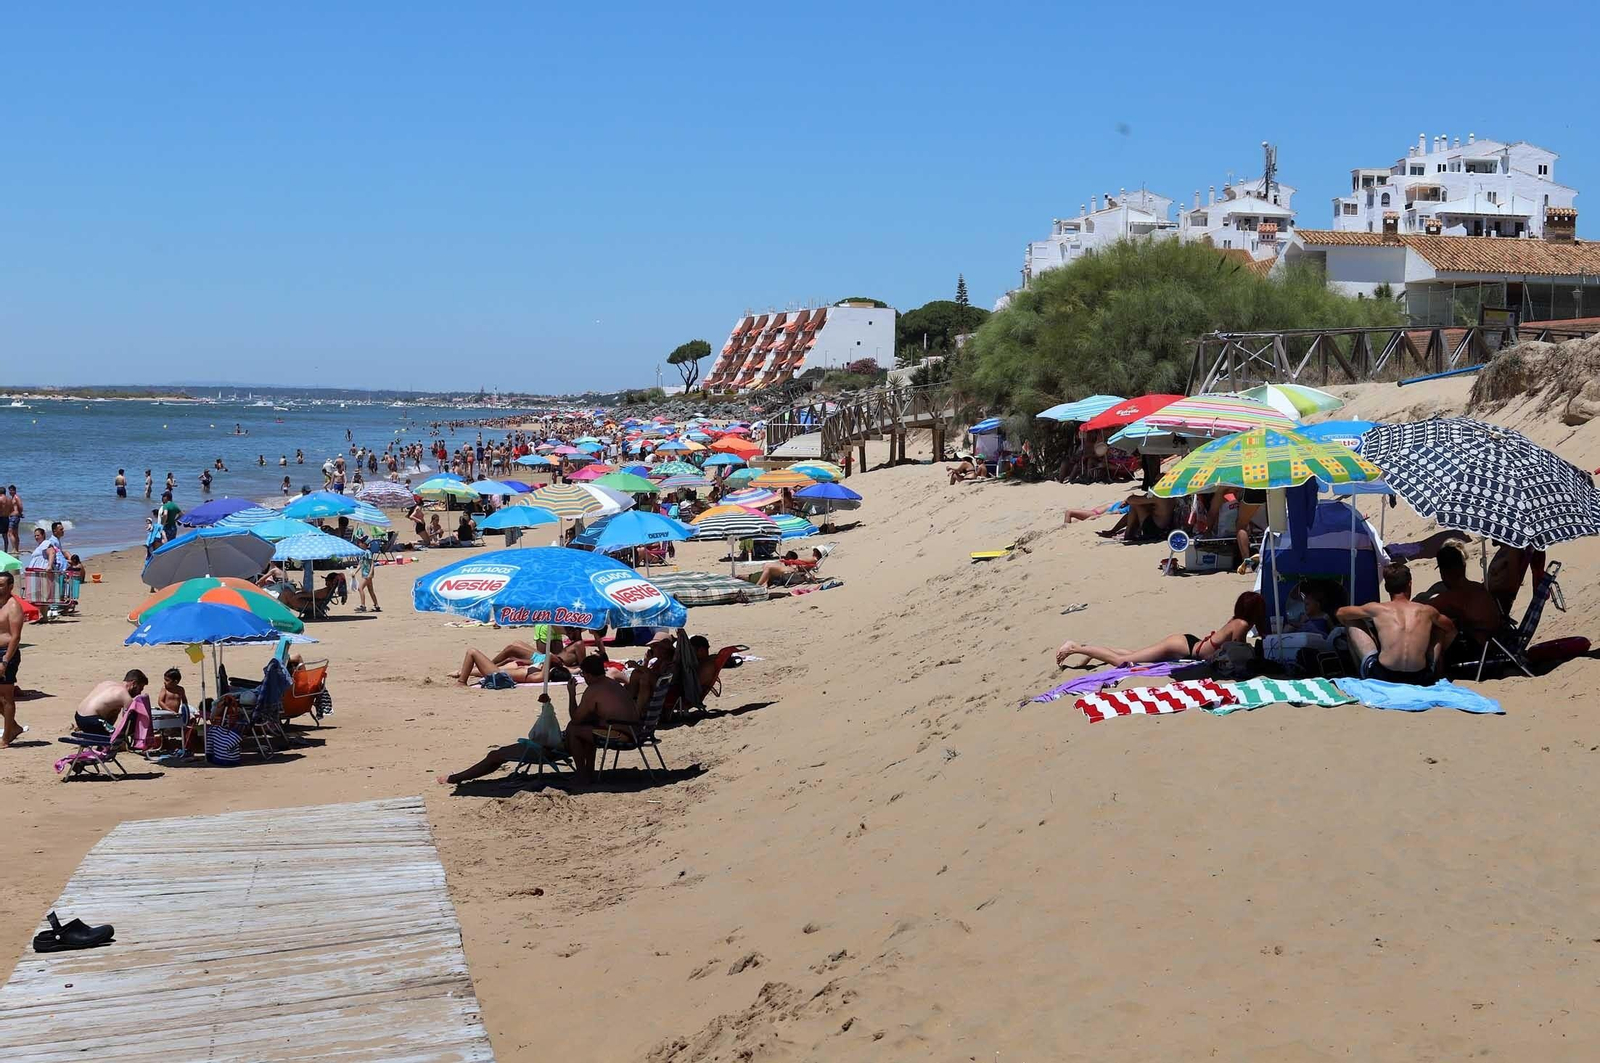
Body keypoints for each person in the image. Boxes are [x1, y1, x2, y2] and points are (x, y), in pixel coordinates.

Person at [435, 654, 629, 786]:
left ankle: (455, 778)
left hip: (555, 746)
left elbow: (577, 719)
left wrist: (571, 695)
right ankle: (587, 773)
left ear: (587, 674)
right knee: (576, 728)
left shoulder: (594, 690)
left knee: (497, 755)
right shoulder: (612, 686)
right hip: (589, 737)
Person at [1056, 591, 1268, 668]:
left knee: (1132, 655)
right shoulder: (1241, 625)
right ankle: (1075, 648)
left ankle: (1088, 649)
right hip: (1183, 647)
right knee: (1125, 662)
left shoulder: (1238, 620)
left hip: (1188, 644)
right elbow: (1239, 655)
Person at [1335, 562, 1456, 685]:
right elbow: (1451, 628)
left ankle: (1361, 673)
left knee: (1351, 620)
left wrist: (1371, 631)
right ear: (1410, 584)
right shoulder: (1427, 611)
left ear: (1387, 588)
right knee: (1440, 628)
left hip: (1383, 676)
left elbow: (1340, 613)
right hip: (1421, 678)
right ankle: (1438, 669)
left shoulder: (1377, 609)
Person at [1416, 545, 1503, 648]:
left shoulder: (1454, 596)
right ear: (1464, 566)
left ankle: (1436, 664)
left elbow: (1421, 610)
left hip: (1481, 648)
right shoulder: (1477, 587)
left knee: (1438, 631)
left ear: (1443, 573)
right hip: (1498, 640)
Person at [74, 670, 149, 735]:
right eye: (140, 688)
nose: (139, 693)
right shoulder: (125, 696)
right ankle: (104, 744)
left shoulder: (107, 683)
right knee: (116, 738)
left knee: (114, 711)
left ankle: (102, 739)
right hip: (91, 721)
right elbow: (128, 722)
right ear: (134, 683)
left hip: (78, 716)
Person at [0, 572, 24, 747]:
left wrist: (5, 661)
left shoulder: (13, 606)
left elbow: (15, 637)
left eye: (1, 585)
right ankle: (14, 727)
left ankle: (6, 737)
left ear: (10, 587)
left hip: (6, 653)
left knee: (6, 697)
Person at [740, 549, 818, 588]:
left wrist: (792, 562)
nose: (813, 552)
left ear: (817, 553)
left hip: (789, 571)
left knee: (768, 567)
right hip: (788, 569)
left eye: (815, 550)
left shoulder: (814, 559)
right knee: (767, 566)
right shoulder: (813, 560)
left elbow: (800, 562)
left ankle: (759, 586)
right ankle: (763, 582)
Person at [354, 545, 379, 613]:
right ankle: (376, 605)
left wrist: (370, 573)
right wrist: (355, 572)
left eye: (360, 542)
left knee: (360, 588)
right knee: (371, 590)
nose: (359, 544)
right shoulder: (362, 552)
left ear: (364, 544)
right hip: (365, 574)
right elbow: (360, 564)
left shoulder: (368, 552)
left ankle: (363, 606)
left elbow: (372, 563)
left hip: (367, 574)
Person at [5, 485, 22, 554]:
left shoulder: (16, 497)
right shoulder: (12, 498)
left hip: (14, 516)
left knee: (10, 533)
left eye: (12, 490)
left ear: (15, 490)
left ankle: (14, 549)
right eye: (9, 490)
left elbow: (20, 506)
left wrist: (19, 513)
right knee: (15, 533)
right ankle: (16, 549)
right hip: (14, 517)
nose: (10, 491)